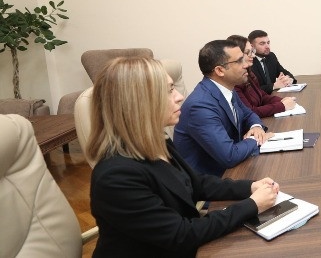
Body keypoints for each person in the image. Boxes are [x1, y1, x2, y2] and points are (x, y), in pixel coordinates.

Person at [86, 57, 281, 257]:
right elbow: (182, 235)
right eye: (168, 90)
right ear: (137, 103)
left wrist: (249, 187)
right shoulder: (116, 177)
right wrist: (252, 205)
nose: (179, 97)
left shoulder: (156, 142)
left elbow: (196, 183)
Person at [174, 40, 271, 176]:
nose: (246, 65)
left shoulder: (227, 89)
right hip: (211, 181)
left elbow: (248, 114)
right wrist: (256, 139)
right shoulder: (200, 106)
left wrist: (256, 127)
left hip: (233, 169)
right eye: (239, 61)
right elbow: (229, 156)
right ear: (219, 70)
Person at [227, 35, 297, 118]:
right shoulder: (233, 80)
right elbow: (250, 112)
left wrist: (282, 100)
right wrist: (282, 106)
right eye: (248, 52)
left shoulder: (249, 73)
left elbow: (262, 96)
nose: (253, 55)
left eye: (252, 51)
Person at [248, 29, 296, 93]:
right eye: (262, 44)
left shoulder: (271, 56)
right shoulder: (249, 62)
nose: (267, 46)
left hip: (274, 95)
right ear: (252, 46)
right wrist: (274, 86)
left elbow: (284, 72)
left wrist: (289, 79)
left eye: (268, 43)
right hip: (259, 98)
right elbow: (252, 90)